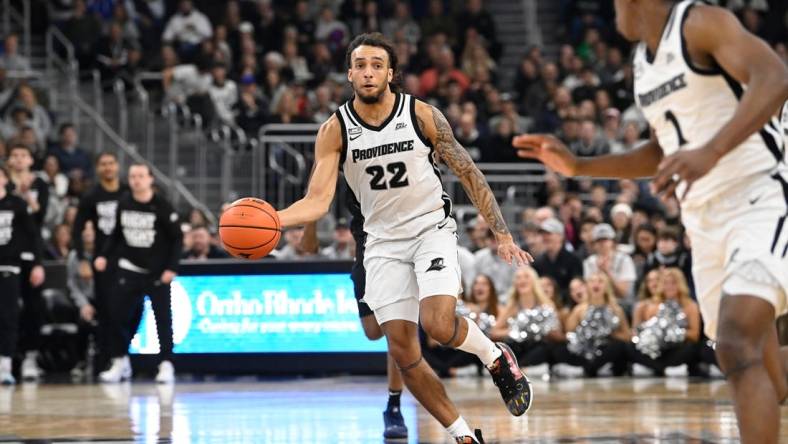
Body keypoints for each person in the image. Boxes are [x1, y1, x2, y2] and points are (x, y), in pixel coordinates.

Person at [513, 1, 788, 441]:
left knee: (738, 344)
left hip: (760, 196)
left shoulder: (700, 23)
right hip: (703, 218)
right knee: (765, 374)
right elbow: (663, 150)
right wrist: (579, 167)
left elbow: (775, 77)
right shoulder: (643, 62)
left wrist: (712, 151)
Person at [276, 33, 533, 444]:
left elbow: (468, 172)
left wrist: (501, 233)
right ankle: (463, 435)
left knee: (437, 324)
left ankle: (494, 356)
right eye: (360, 65)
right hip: (380, 243)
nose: (368, 72)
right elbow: (317, 200)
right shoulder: (334, 130)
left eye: (377, 64)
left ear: (391, 72)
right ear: (349, 74)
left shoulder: (422, 115)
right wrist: (274, 218)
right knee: (403, 352)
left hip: (430, 229)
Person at [301, 200, 407, 440]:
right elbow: (317, 192)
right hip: (366, 246)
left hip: (400, 242)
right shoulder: (340, 164)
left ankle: (394, 405)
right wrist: (309, 228)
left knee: (395, 331)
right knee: (372, 331)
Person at [94, 163, 183, 384]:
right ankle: (120, 360)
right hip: (129, 268)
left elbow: (177, 239)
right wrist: (104, 255)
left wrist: (171, 268)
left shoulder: (162, 206)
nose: (136, 180)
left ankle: (165, 364)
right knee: (117, 316)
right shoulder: (124, 203)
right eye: (133, 176)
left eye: (141, 176)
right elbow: (115, 234)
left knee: (163, 319)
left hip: (157, 272)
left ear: (151, 179)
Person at [72, 152, 129, 374]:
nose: (108, 167)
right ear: (97, 169)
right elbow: (77, 230)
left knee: (129, 311)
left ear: (117, 166)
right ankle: (109, 360)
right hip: (102, 260)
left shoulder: (127, 192)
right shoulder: (91, 196)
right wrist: (81, 260)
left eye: (111, 163)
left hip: (129, 259)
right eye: (103, 164)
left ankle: (125, 357)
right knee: (106, 312)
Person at [0, 165, 44, 385]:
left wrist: (37, 264)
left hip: (10, 268)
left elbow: (33, 236)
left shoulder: (16, 204)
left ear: (5, 179)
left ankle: (5, 364)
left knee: (8, 316)